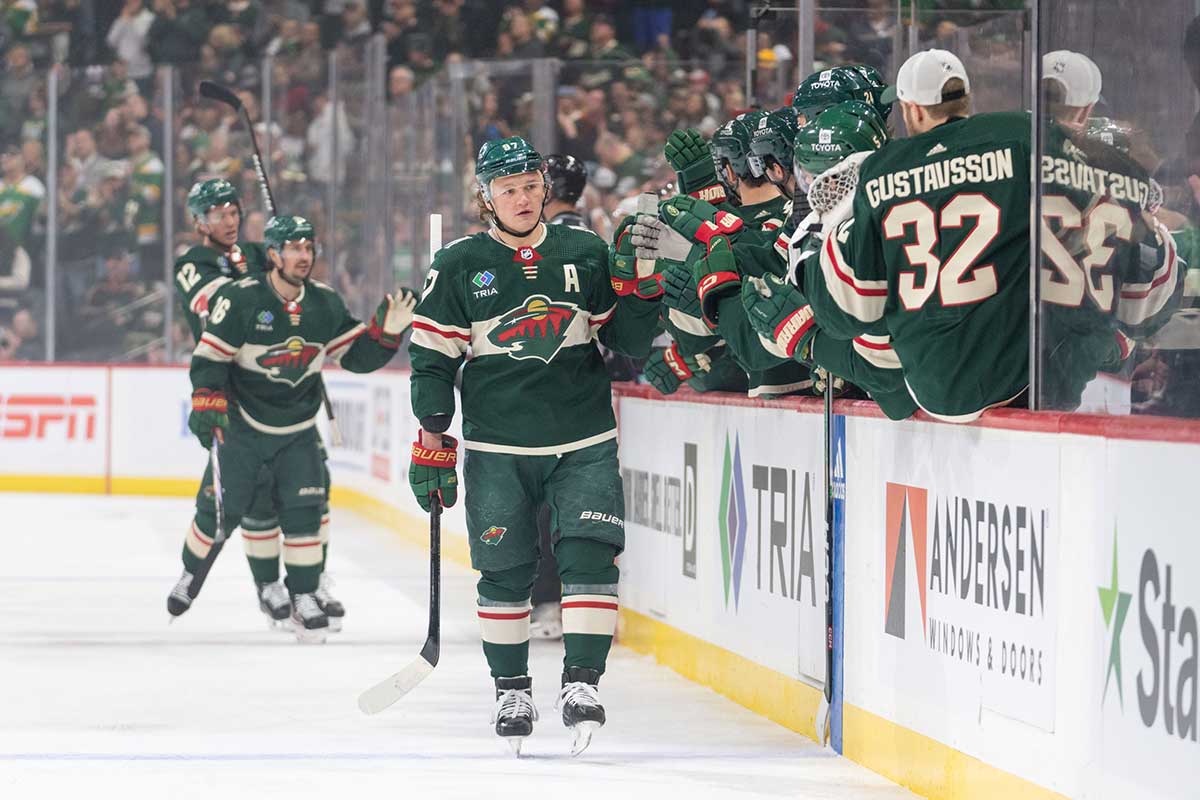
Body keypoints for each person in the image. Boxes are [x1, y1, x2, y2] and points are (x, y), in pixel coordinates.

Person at [407, 136, 658, 754]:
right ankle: (511, 689)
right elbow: (432, 358)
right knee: (506, 570)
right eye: (507, 188)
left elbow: (627, 340)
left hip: (585, 439)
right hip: (498, 448)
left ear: (545, 188)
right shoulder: (459, 262)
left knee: (590, 558)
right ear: (485, 197)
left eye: (529, 186)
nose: (521, 198)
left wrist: (641, 283)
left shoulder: (585, 251)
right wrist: (432, 435)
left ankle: (582, 683)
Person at [176, 214, 415, 643]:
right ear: (272, 254)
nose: (304, 256)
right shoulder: (241, 298)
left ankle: (304, 594)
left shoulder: (324, 302)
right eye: (294, 248)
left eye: (309, 248)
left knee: (306, 511)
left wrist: (385, 334)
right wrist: (208, 398)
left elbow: (355, 356)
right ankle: (201, 575)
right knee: (225, 511)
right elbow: (210, 358)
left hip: (299, 427)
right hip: (244, 429)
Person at [167, 179, 341, 633]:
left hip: (286, 389)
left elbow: (289, 289)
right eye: (217, 214)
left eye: (233, 212)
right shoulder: (193, 263)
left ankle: (311, 581)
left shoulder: (252, 252)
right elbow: (217, 305)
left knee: (311, 488)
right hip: (234, 387)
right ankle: (264, 585)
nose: (228, 221)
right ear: (199, 221)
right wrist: (267, 281)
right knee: (243, 500)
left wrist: (287, 263)